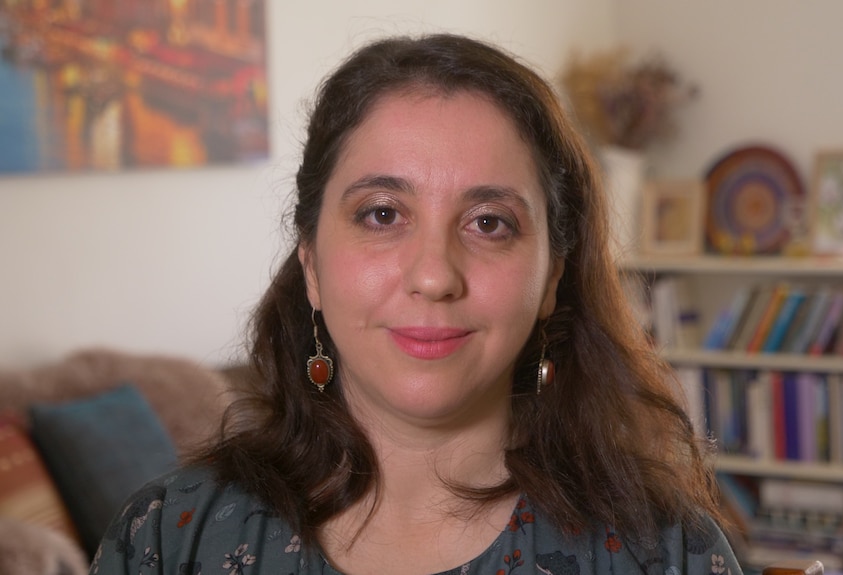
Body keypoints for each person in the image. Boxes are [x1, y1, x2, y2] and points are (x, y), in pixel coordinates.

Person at [90, 33, 741, 575]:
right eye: (381, 213)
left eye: (489, 222)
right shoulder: (166, 542)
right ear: (311, 263)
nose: (434, 276)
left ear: (550, 281)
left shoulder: (666, 552)